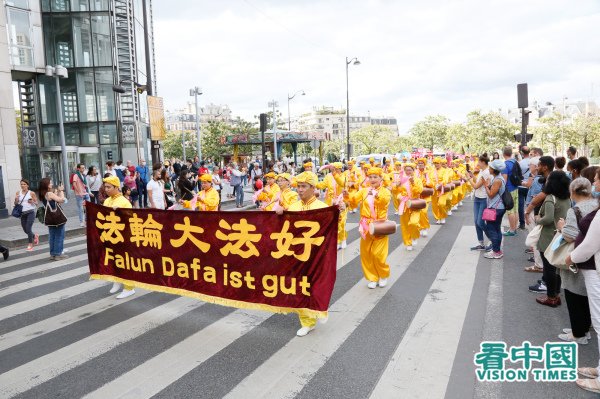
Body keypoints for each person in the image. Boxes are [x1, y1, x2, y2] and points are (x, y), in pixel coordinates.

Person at [277, 172, 329, 337]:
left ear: (313, 188)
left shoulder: (322, 207)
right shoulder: (293, 207)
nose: (299, 190)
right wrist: (280, 215)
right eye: (298, 186)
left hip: (317, 255)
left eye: (303, 187)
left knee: (317, 287)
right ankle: (307, 322)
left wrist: (339, 211)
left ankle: (318, 310)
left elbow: (331, 230)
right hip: (298, 255)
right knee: (300, 288)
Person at [566, 169, 600, 394]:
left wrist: (572, 257)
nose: (594, 182)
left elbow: (589, 245)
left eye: (597, 178)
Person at [555, 178, 596, 343]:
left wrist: (561, 226)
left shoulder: (575, 210)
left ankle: (578, 334)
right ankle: (583, 329)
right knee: (586, 296)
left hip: (577, 258)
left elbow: (570, 235)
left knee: (573, 295)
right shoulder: (596, 206)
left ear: (572, 192)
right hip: (593, 258)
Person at [344, 167, 392, 289]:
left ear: (381, 178)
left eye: (375, 177)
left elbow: (384, 202)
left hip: (379, 225)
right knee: (366, 253)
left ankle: (383, 275)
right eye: (370, 177)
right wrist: (347, 196)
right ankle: (372, 277)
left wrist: (376, 196)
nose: (372, 179)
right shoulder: (364, 191)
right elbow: (354, 201)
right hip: (365, 225)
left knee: (378, 254)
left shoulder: (385, 191)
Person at [532, 171, 571, 307]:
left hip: (548, 237)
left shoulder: (550, 198)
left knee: (548, 269)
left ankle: (551, 297)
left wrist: (537, 219)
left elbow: (548, 219)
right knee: (557, 268)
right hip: (560, 236)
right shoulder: (567, 198)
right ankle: (556, 294)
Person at [102, 175, 136, 299]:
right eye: (105, 187)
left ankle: (129, 287)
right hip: (111, 235)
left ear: (116, 187)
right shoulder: (107, 200)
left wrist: (120, 212)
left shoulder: (123, 201)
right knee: (113, 259)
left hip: (123, 236)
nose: (106, 189)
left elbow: (130, 218)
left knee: (125, 261)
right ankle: (117, 280)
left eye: (109, 187)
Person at [38, 178, 68, 260]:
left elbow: (54, 202)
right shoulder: (49, 193)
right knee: (59, 235)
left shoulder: (43, 194)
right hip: (57, 218)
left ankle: (53, 254)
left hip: (49, 219)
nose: (51, 184)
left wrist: (57, 192)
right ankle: (58, 254)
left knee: (52, 236)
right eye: (50, 183)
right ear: (46, 185)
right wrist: (61, 190)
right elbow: (61, 200)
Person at [482, 159, 507, 259]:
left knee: (492, 229)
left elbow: (491, 195)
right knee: (496, 229)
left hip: (496, 208)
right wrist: (488, 185)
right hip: (498, 207)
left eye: (490, 167)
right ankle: (497, 250)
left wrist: (486, 187)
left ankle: (496, 251)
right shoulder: (497, 178)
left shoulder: (497, 180)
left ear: (494, 169)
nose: (489, 168)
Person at [397, 163, 423, 251]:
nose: (408, 172)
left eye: (410, 170)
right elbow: (396, 191)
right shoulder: (402, 180)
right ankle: (408, 243)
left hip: (415, 203)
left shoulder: (417, 180)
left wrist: (413, 183)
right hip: (404, 204)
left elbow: (419, 190)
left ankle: (414, 236)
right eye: (406, 170)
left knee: (414, 223)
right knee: (405, 225)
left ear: (413, 171)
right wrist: (397, 190)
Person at [467, 154, 491, 251]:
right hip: (477, 198)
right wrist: (472, 176)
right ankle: (481, 243)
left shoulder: (486, 172)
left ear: (482, 162)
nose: (477, 163)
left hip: (483, 198)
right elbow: (478, 182)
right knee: (476, 222)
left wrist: (468, 178)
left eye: (478, 162)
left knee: (480, 222)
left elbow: (476, 186)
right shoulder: (482, 171)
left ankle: (492, 238)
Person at [15, 178, 39, 251]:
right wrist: (16, 199)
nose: (22, 185)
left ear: (27, 185)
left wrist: (32, 202)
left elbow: (37, 203)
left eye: (24, 184)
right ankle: (35, 236)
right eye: (21, 184)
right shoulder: (18, 193)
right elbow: (15, 204)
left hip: (30, 213)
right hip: (22, 214)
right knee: (25, 230)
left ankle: (30, 244)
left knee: (28, 229)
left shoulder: (31, 193)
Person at [501, 146, 520, 236]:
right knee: (515, 210)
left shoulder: (505, 164)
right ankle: (514, 228)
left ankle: (512, 230)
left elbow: (504, 180)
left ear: (503, 154)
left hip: (508, 189)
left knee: (510, 211)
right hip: (515, 187)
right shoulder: (514, 162)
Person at [72, 163, 91, 227]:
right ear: (78, 169)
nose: (83, 169)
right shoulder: (76, 175)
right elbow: (74, 184)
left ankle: (87, 221)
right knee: (81, 208)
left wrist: (89, 192)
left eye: (84, 168)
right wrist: (79, 192)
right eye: (82, 168)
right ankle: (81, 221)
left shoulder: (84, 175)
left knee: (88, 208)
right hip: (79, 194)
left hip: (86, 193)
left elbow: (86, 184)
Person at [518, 146, 531, 229]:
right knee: (530, 204)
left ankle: (522, 223)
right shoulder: (532, 162)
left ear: (522, 153)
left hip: (521, 185)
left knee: (520, 205)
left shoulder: (520, 163)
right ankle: (530, 221)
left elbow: (517, 174)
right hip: (530, 185)